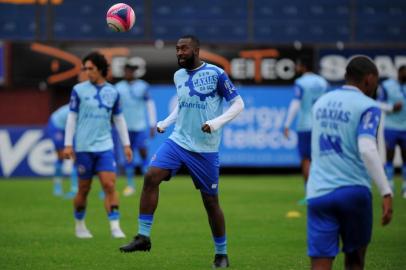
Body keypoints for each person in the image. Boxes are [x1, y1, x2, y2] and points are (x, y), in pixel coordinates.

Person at [119, 35, 244, 268]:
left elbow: (238, 104)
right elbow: (183, 104)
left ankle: (221, 253)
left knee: (210, 201)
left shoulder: (216, 74)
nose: (179, 53)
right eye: (177, 49)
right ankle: (143, 237)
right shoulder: (178, 75)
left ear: (196, 50)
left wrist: (216, 123)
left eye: (183, 49)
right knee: (151, 176)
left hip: (205, 149)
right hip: (178, 142)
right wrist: (166, 122)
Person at [307, 56, 393, 270]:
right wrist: (386, 191)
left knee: (320, 263)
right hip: (353, 191)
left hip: (319, 193)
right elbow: (367, 147)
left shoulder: (321, 103)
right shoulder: (369, 106)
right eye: (376, 80)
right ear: (369, 78)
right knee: (355, 260)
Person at [63, 51, 133, 239]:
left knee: (109, 185)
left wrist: (126, 145)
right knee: (84, 189)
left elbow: (119, 119)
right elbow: (72, 118)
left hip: (105, 147)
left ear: (101, 69)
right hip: (84, 147)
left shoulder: (113, 92)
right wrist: (68, 144)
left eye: (90, 68)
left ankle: (115, 226)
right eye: (85, 68)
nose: (87, 72)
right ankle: (79, 225)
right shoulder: (78, 90)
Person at [283, 56, 329, 204]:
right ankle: (321, 193)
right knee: (320, 159)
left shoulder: (300, 82)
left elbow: (296, 103)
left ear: (303, 67)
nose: (296, 69)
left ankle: (310, 195)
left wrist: (287, 124)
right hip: (321, 124)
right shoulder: (323, 82)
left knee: (306, 159)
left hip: (305, 125)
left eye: (298, 66)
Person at [114, 61, 157, 196]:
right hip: (125, 128)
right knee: (128, 155)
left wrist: (152, 124)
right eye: (126, 71)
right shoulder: (118, 87)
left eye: (130, 71)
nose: (128, 73)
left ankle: (148, 183)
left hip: (140, 127)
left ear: (134, 72)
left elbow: (150, 105)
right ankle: (130, 185)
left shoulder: (143, 86)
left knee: (144, 152)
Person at [377, 65, 406, 197]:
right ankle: (389, 186)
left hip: (405, 127)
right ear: (399, 73)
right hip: (391, 127)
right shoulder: (387, 85)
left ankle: (405, 188)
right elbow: (379, 103)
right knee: (389, 156)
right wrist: (392, 107)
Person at [46, 104, 78, 197]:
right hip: (57, 125)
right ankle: (57, 186)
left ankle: (74, 189)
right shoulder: (75, 111)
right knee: (61, 156)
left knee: (77, 157)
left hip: (69, 127)